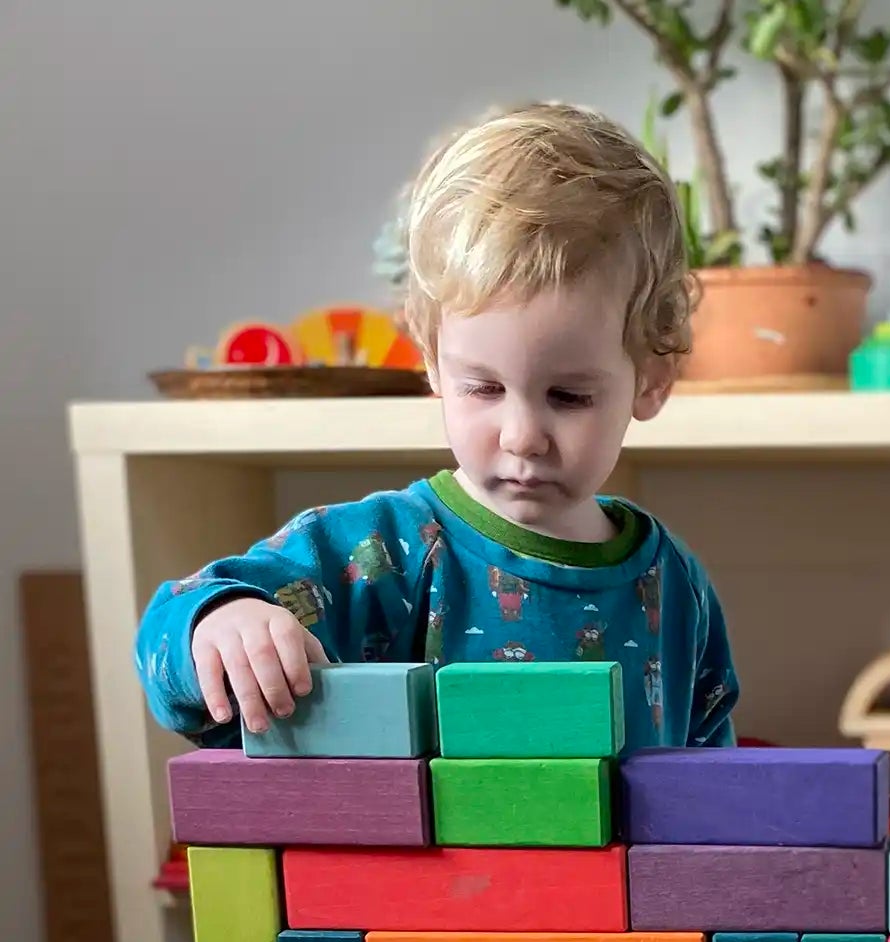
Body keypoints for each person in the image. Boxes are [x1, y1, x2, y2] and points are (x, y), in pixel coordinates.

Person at [134, 101, 738, 749]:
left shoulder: (678, 584)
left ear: (651, 380)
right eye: (483, 388)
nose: (521, 436)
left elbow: (715, 777)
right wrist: (222, 622)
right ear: (433, 364)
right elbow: (171, 628)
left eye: (568, 396)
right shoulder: (380, 552)